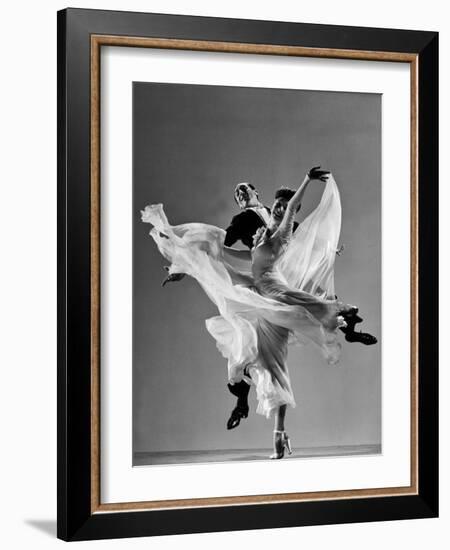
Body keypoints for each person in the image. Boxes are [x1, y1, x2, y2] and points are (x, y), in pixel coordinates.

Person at [141, 167, 377, 459]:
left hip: (279, 298)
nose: (256, 229)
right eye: (236, 193)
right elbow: (221, 259)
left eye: (244, 190)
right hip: (266, 308)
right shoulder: (254, 244)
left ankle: (343, 321)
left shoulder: (278, 236)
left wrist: (306, 180)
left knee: (308, 303)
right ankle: (279, 435)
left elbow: (291, 214)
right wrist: (184, 268)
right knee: (270, 368)